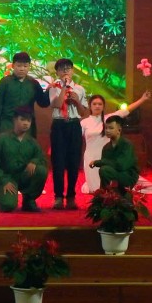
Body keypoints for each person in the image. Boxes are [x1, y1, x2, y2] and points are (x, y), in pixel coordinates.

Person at [80, 91, 152, 193]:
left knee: (106, 184)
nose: (97, 106)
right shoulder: (84, 123)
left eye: (100, 104)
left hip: (106, 156)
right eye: (94, 104)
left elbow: (126, 110)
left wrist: (142, 99)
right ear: (90, 106)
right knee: (94, 189)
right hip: (90, 156)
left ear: (103, 106)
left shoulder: (108, 119)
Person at [44, 58, 87, 210]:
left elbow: (83, 112)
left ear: (73, 71)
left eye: (68, 68)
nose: (65, 71)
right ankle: (58, 197)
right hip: (59, 126)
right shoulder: (53, 87)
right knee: (58, 162)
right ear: (57, 72)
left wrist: (77, 101)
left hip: (74, 125)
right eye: (62, 68)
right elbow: (56, 104)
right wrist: (64, 87)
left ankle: (71, 197)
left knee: (74, 162)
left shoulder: (80, 89)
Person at [0, 106, 48, 213]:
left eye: (28, 121)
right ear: (14, 120)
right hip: (7, 178)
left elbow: (42, 158)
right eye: (22, 119)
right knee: (8, 206)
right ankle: (0, 198)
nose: (26, 123)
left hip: (24, 176)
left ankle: (29, 200)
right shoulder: (2, 139)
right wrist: (3, 179)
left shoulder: (32, 142)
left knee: (41, 171)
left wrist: (34, 162)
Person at [0, 52, 51, 136]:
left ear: (29, 67)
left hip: (27, 127)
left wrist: (49, 90)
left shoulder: (33, 83)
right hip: (7, 125)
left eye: (25, 66)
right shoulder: (5, 82)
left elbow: (43, 103)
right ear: (13, 66)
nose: (22, 69)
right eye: (19, 66)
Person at [90, 115, 138, 189]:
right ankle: (105, 192)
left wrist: (98, 162)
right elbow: (105, 165)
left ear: (119, 130)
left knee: (105, 170)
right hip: (115, 173)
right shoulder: (106, 147)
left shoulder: (127, 145)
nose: (107, 130)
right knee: (104, 169)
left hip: (128, 175)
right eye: (106, 128)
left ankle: (119, 191)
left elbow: (121, 165)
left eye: (111, 128)